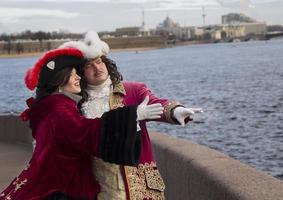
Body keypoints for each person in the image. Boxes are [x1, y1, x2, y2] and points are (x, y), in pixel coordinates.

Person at [0, 47, 163, 200]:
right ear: (60, 81)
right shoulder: (59, 109)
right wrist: (131, 116)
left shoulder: (52, 106)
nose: (78, 77)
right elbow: (85, 132)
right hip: (59, 188)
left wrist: (173, 110)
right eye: (73, 74)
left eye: (99, 62)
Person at [60, 31, 202, 200]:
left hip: (137, 183)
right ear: (81, 73)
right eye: (89, 66)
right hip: (98, 184)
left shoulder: (132, 90)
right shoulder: (76, 103)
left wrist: (175, 111)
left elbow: (156, 103)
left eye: (99, 62)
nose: (97, 68)